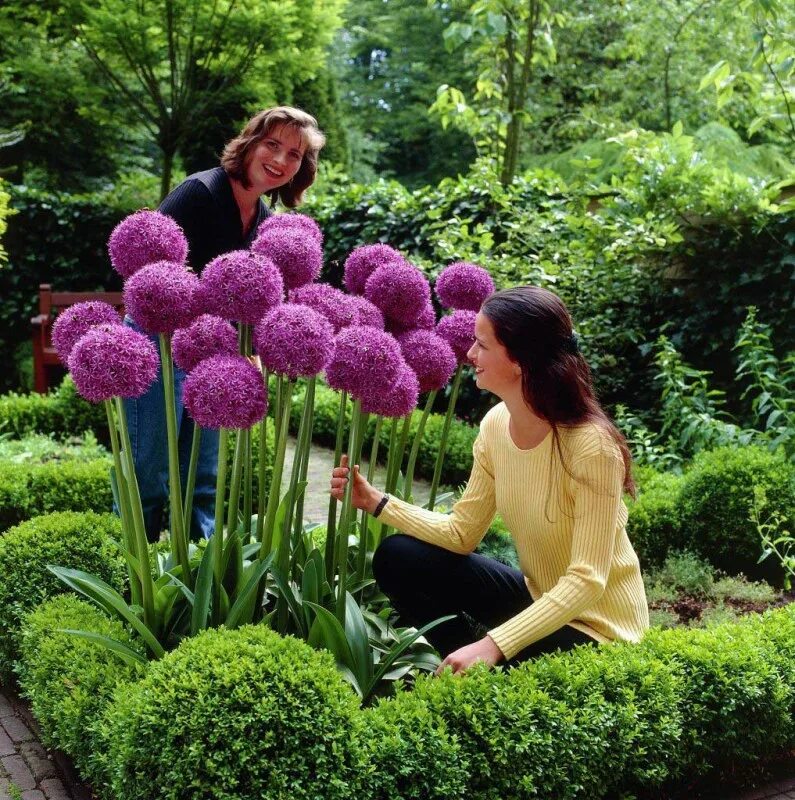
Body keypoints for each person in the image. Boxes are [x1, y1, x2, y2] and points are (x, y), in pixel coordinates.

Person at [330, 285, 649, 673]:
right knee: (399, 558)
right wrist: (378, 503)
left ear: (519, 360)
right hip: (540, 600)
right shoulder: (496, 425)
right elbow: (462, 533)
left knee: (512, 649)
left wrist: (494, 643)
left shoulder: (591, 447)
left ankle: (489, 664)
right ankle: (474, 670)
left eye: (483, 344)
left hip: (600, 630)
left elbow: (587, 580)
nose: (470, 354)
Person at [126, 106, 325, 541]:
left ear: (300, 169)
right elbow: (146, 276)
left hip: (212, 354)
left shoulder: (267, 224)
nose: (279, 160)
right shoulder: (198, 193)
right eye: (272, 144)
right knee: (150, 470)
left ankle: (200, 571)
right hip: (157, 344)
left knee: (202, 476)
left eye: (294, 155)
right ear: (250, 143)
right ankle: (137, 575)